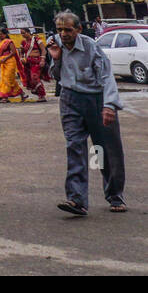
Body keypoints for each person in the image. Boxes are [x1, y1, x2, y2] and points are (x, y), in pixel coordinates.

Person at [48, 11, 127, 216]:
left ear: (79, 29)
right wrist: (55, 58)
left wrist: (109, 106)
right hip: (69, 100)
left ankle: (114, 195)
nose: (63, 34)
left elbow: (107, 76)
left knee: (103, 150)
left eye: (68, 29)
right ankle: (76, 200)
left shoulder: (91, 47)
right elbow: (55, 76)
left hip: (96, 99)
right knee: (74, 146)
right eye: (60, 30)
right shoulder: (56, 44)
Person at [0, 28, 26, 102]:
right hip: (3, 62)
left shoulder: (9, 42)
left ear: (5, 34)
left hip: (10, 62)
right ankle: (22, 94)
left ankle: (4, 97)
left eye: (1, 34)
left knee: (7, 79)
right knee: (7, 79)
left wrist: (5, 58)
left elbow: (13, 52)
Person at [17, 27, 48, 102]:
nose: (23, 35)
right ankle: (37, 92)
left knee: (34, 78)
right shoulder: (23, 42)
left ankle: (42, 95)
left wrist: (43, 60)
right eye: (21, 33)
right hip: (27, 63)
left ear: (28, 32)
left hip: (36, 62)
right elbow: (21, 52)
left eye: (24, 33)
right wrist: (21, 58)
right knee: (29, 80)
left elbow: (44, 50)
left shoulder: (37, 40)